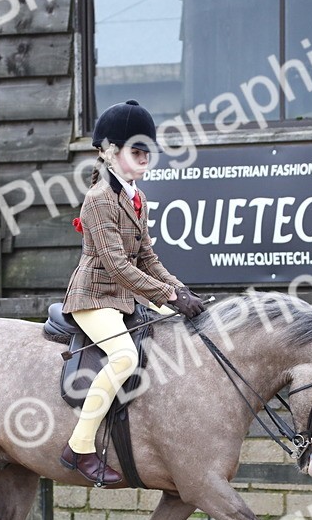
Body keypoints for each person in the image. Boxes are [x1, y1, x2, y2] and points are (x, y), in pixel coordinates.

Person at [59, 99, 206, 486]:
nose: (144, 157)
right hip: (92, 298)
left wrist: (180, 289)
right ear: (111, 152)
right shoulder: (98, 200)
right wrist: (169, 297)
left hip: (123, 297)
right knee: (124, 356)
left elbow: (146, 257)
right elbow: (117, 266)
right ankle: (79, 446)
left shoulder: (136, 197)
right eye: (136, 150)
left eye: (147, 151)